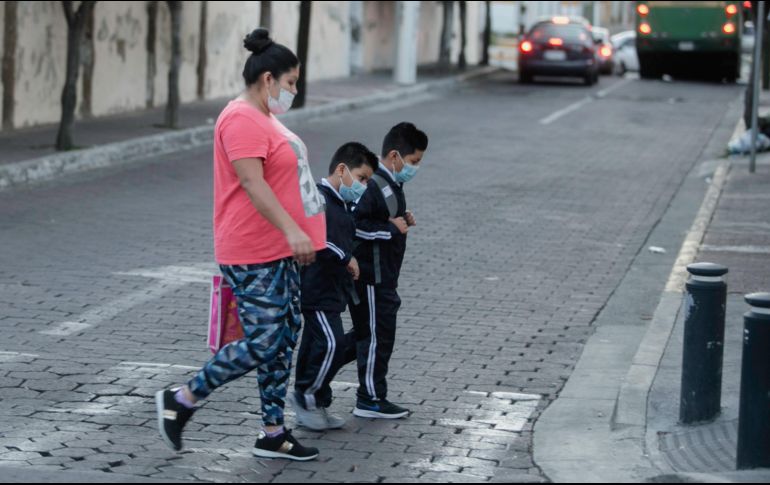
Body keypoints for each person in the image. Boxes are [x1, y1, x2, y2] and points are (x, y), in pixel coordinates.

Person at [155, 28, 326, 461]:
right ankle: (183, 398)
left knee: (284, 338)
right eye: (290, 83)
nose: (293, 92)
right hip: (252, 250)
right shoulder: (241, 118)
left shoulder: (264, 117)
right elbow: (251, 182)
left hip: (279, 249)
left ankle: (273, 432)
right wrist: (292, 230)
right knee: (265, 341)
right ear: (268, 79)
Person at [289, 142, 379, 431]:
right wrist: (346, 258)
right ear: (342, 169)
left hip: (331, 291)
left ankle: (317, 400)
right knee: (332, 344)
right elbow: (317, 239)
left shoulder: (342, 203)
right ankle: (306, 397)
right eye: (361, 178)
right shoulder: (319, 199)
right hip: (316, 290)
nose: (363, 186)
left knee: (316, 345)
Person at [348, 122, 428, 419]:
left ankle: (369, 393)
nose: (415, 168)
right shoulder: (372, 184)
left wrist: (401, 218)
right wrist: (390, 228)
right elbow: (356, 226)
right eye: (413, 161)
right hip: (371, 277)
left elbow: (385, 218)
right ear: (395, 156)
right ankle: (368, 398)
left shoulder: (392, 183)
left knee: (380, 335)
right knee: (374, 337)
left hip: (386, 277)